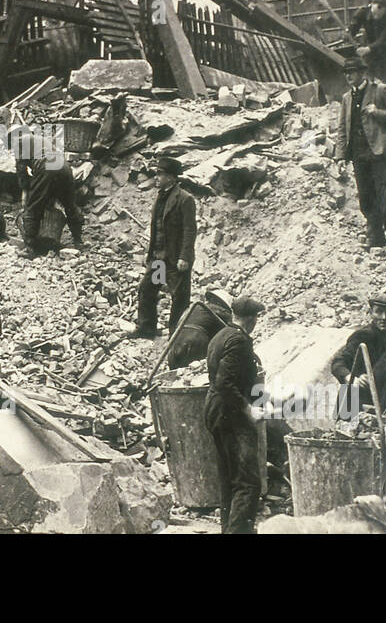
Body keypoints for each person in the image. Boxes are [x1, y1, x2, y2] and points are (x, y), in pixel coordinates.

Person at [335, 56, 386, 258]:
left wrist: (377, 112)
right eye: (346, 73)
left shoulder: (379, 90)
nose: (348, 76)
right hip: (359, 155)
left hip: (379, 153)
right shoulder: (347, 98)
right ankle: (375, 236)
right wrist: (340, 156)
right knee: (366, 197)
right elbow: (342, 128)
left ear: (362, 73)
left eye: (352, 72)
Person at [204, 305, 265, 534]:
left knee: (229, 478)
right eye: (256, 318)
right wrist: (248, 409)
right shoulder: (239, 341)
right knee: (248, 482)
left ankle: (228, 529)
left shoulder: (220, 335)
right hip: (231, 415)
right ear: (251, 319)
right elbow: (225, 383)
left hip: (216, 411)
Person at [136, 156, 197, 338]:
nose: (156, 177)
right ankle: (147, 329)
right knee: (147, 290)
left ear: (171, 177)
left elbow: (189, 230)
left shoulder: (185, 199)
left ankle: (176, 335)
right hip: (159, 259)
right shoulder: (160, 197)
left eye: (160, 174)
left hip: (175, 260)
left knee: (179, 298)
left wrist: (184, 257)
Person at [330, 294, 386, 418]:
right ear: (370, 313)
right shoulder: (363, 336)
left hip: (377, 408)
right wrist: (352, 379)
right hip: (352, 405)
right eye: (379, 312)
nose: (384, 317)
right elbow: (338, 363)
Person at [14, 129, 84, 256]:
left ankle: (30, 247)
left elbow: (21, 170)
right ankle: (78, 240)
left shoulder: (19, 142)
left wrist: (25, 192)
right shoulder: (41, 140)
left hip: (46, 164)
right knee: (69, 204)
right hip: (64, 166)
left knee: (33, 207)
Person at [168, 289, 234, 370]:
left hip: (174, 343)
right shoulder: (220, 311)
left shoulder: (193, 308)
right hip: (195, 342)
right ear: (222, 304)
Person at [348, 0, 386, 85]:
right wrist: (348, 34)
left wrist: (368, 49)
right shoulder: (362, 13)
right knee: (368, 75)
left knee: (385, 77)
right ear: (371, 6)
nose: (376, 16)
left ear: (385, 9)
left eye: (380, 13)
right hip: (370, 49)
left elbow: (384, 39)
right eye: (374, 13)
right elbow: (353, 29)